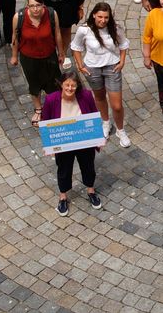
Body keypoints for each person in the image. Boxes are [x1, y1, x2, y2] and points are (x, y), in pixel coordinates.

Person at [40, 71, 102, 217]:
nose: (69, 88)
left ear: (77, 86)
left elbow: (94, 115)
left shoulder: (86, 95)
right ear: (61, 84)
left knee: (88, 166)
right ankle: (63, 196)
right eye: (67, 85)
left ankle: (91, 190)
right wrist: (48, 145)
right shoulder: (51, 99)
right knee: (63, 168)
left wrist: (98, 139)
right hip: (63, 142)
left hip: (84, 141)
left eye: (73, 86)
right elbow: (45, 121)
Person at [71, 2, 131, 146]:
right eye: (100, 17)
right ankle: (105, 123)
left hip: (112, 66)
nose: (103, 20)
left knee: (116, 105)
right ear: (94, 15)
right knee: (99, 97)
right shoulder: (84, 30)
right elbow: (76, 47)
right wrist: (80, 65)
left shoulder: (115, 28)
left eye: (106, 17)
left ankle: (120, 130)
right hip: (92, 68)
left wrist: (122, 61)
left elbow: (123, 44)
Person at [11, 0, 65, 127]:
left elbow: (57, 33)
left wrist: (61, 52)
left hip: (49, 55)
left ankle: (53, 108)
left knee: (54, 84)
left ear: (43, 5)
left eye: (38, 6)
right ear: (27, 6)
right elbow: (15, 37)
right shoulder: (19, 17)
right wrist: (13, 56)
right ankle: (38, 109)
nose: (35, 9)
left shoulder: (52, 14)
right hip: (29, 58)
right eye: (32, 6)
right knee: (34, 84)